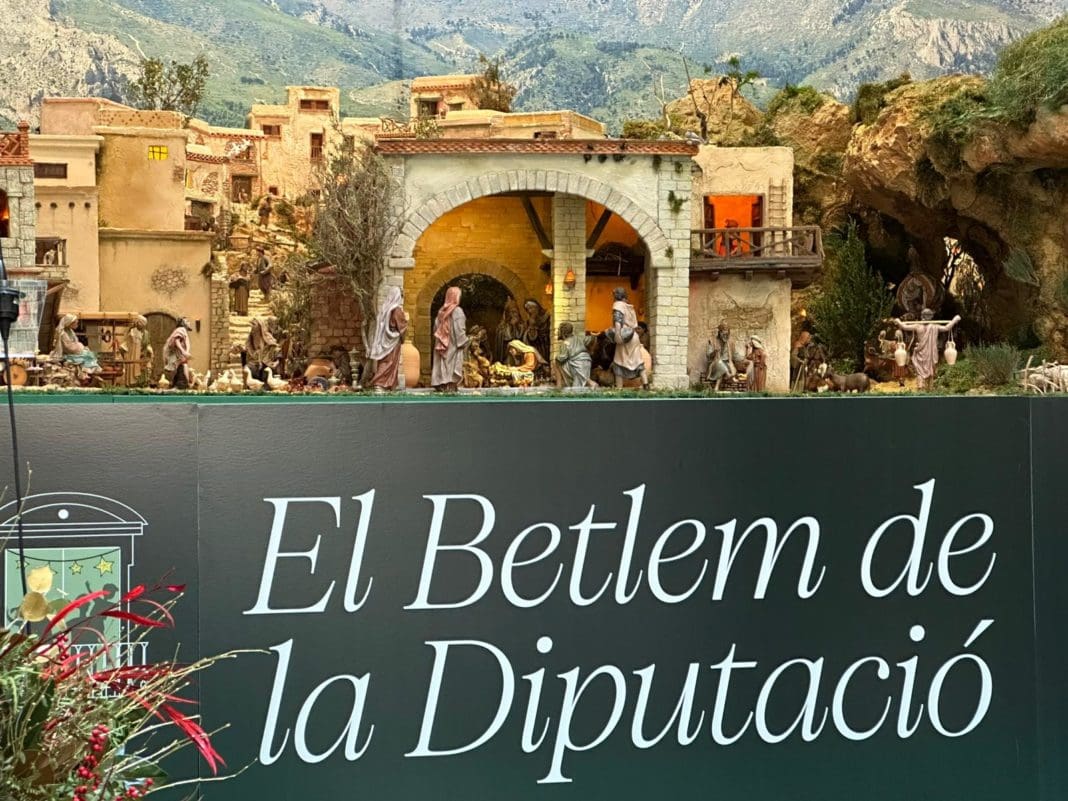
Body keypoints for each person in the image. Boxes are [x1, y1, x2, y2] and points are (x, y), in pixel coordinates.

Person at [895, 309, 961, 390]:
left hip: (922, 353)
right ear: (931, 317)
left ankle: (922, 388)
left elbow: (904, 327)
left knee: (920, 372)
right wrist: (954, 320)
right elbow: (946, 328)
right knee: (930, 371)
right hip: (930, 354)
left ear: (922, 316)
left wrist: (898, 321)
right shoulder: (934, 326)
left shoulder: (918, 326)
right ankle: (928, 388)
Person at [606, 287, 648, 389]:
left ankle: (619, 388)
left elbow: (618, 320)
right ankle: (646, 384)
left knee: (618, 361)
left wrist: (617, 334)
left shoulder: (618, 305)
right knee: (637, 360)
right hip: (633, 336)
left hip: (624, 336)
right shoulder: (629, 307)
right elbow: (634, 324)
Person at [368, 286, 408, 391]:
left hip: (385, 340)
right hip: (393, 340)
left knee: (384, 361)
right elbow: (402, 326)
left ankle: (385, 384)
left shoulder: (385, 309)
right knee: (390, 361)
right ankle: (380, 383)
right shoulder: (396, 310)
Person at [431, 286, 468, 391]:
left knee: (441, 363)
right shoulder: (457, 311)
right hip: (453, 345)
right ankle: (449, 384)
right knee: (451, 365)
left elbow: (435, 329)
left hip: (441, 345)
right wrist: (464, 341)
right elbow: (460, 330)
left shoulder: (441, 312)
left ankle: (440, 383)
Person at [554, 322, 595, 388]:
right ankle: (590, 383)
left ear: (563, 332)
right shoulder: (580, 338)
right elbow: (590, 339)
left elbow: (562, 357)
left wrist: (556, 358)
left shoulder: (565, 343)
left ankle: (559, 384)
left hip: (576, 363)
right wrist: (593, 334)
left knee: (557, 363)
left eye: (559, 330)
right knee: (580, 381)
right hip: (587, 361)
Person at [162, 317, 193, 389]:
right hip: (175, 353)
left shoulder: (183, 330)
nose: (189, 323)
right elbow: (177, 340)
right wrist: (183, 351)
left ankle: (179, 384)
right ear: (183, 323)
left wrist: (185, 352)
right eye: (187, 321)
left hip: (179, 355)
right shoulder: (181, 329)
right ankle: (182, 384)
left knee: (181, 367)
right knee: (182, 366)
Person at [705, 322, 736, 391]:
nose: (725, 335)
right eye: (723, 333)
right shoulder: (712, 341)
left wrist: (744, 359)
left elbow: (735, 355)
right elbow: (708, 355)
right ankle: (728, 375)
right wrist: (714, 352)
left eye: (727, 334)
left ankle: (716, 387)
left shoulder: (730, 343)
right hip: (715, 364)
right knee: (720, 364)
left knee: (725, 367)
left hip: (726, 363)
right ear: (720, 332)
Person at [522, 298, 552, 364]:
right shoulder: (529, 321)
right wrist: (531, 326)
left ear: (537, 307)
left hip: (546, 343)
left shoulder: (547, 316)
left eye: (531, 308)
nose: (530, 311)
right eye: (527, 309)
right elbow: (530, 338)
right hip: (537, 346)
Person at [494, 298, 524, 364]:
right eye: (512, 312)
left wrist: (515, 326)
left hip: (520, 355)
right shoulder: (502, 327)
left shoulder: (522, 326)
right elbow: (507, 338)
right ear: (508, 313)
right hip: (507, 355)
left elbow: (521, 337)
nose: (514, 314)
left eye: (515, 312)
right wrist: (511, 326)